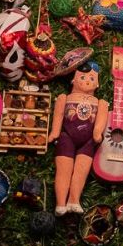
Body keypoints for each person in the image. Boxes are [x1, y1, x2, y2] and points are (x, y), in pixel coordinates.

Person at [48, 62, 108, 215]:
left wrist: (97, 132)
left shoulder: (100, 103)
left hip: (88, 141)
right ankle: (60, 203)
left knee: (82, 171)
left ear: (97, 84)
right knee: (63, 170)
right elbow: (58, 115)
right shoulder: (64, 98)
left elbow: (101, 119)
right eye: (82, 77)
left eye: (92, 78)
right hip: (67, 136)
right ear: (73, 80)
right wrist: (55, 132)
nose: (87, 81)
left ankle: (74, 201)